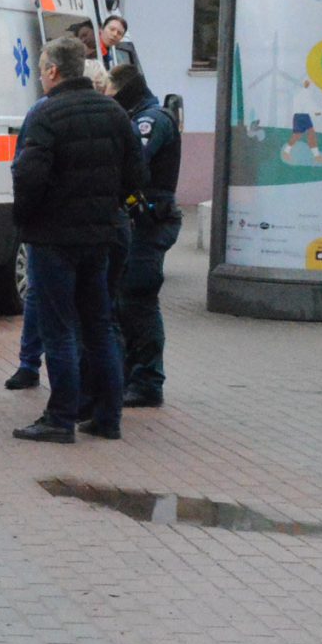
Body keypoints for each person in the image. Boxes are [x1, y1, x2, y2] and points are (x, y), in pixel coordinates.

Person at [10, 38, 144, 444]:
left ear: (53, 71)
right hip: (100, 236)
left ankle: (61, 417)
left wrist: (26, 220)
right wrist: (107, 206)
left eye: (40, 69)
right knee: (98, 327)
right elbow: (137, 175)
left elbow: (28, 175)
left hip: (53, 238)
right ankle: (108, 417)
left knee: (59, 330)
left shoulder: (46, 114)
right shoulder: (114, 112)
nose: (40, 76)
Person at [113, 63, 182, 408]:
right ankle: (133, 376)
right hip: (141, 220)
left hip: (150, 221)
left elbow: (133, 161)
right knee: (127, 298)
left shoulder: (151, 120)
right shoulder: (141, 116)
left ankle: (148, 381)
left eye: (109, 92)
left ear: (123, 90)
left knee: (139, 297)